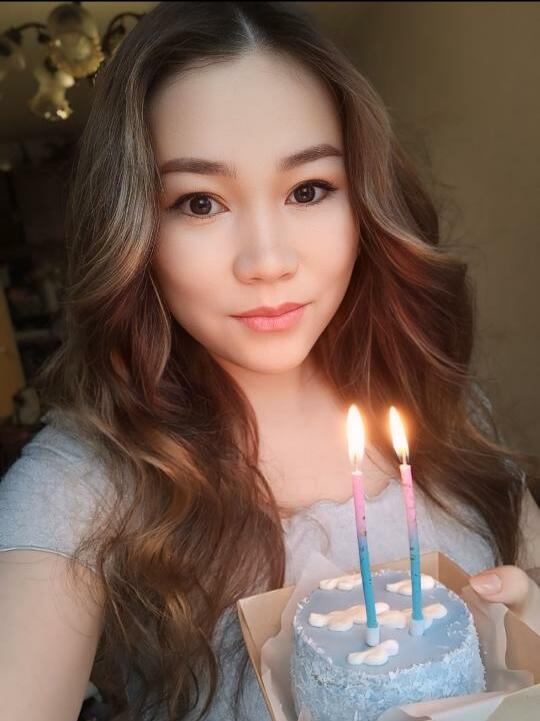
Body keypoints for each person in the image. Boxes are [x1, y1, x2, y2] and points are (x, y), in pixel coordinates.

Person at [0, 2, 538, 720]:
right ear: (132, 230)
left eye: (308, 190)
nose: (268, 261)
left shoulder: (440, 402)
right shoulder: (83, 478)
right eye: (199, 202)